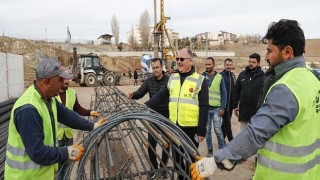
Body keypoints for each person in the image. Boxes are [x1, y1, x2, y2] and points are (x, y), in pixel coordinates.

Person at [190, 19, 320, 180]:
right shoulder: (312, 80)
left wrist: (213, 162)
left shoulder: (286, 88)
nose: (266, 57)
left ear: (287, 52)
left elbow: (254, 134)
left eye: (269, 51)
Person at [4, 59, 106, 179]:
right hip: (25, 177)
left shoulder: (48, 99)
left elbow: (68, 116)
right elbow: (37, 152)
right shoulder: (29, 109)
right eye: (60, 80)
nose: (64, 84)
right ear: (48, 82)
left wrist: (92, 126)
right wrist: (67, 152)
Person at [145, 48, 209, 179]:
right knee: (178, 160)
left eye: (182, 59)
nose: (178, 62)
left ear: (190, 61)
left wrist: (202, 130)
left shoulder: (200, 80)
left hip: (191, 129)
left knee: (190, 159)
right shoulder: (173, 78)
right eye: (177, 59)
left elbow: (204, 106)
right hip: (175, 128)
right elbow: (161, 96)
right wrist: (145, 106)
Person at [127, 58, 170, 179]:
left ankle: (163, 168)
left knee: (167, 143)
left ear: (162, 67)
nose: (155, 70)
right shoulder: (149, 81)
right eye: (154, 68)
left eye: (157, 67)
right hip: (153, 116)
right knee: (151, 144)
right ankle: (154, 167)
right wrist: (133, 95)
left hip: (167, 116)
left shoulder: (169, 81)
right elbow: (140, 92)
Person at [56, 67, 100, 179]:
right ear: (59, 79)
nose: (66, 81)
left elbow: (78, 109)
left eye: (68, 78)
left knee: (67, 164)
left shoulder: (72, 93)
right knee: (56, 166)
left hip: (68, 135)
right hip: (56, 136)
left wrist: (90, 112)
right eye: (64, 78)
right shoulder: (52, 95)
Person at [203, 57, 227, 157]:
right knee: (207, 131)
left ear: (214, 65)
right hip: (206, 109)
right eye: (206, 64)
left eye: (209, 64)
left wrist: (223, 107)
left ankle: (222, 149)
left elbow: (224, 93)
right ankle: (210, 149)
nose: (208, 66)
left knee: (218, 130)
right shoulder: (202, 77)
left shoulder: (219, 77)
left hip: (217, 109)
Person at [233, 53, 264, 131]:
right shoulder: (242, 75)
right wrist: (235, 106)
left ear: (258, 63)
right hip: (244, 112)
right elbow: (236, 90)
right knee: (243, 136)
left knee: (255, 137)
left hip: (257, 113)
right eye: (249, 61)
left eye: (253, 62)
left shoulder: (263, 76)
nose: (251, 64)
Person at [220, 58, 236, 143]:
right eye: (227, 65)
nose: (229, 66)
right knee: (227, 124)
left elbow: (234, 89)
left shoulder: (233, 76)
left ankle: (221, 139)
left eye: (230, 65)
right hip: (223, 105)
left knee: (225, 124)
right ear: (224, 65)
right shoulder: (220, 76)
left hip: (230, 105)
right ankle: (231, 141)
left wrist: (235, 104)